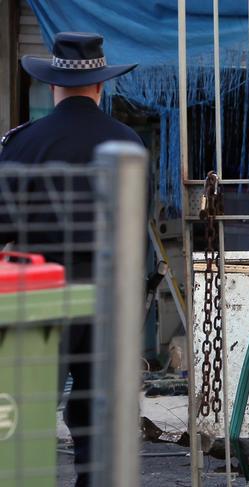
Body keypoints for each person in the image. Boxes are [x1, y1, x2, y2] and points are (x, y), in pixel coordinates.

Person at [0, 32, 141, 487]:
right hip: (107, 287)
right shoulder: (127, 143)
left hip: (39, 289)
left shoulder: (21, 143)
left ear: (53, 86)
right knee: (98, 399)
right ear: (101, 86)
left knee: (31, 396)